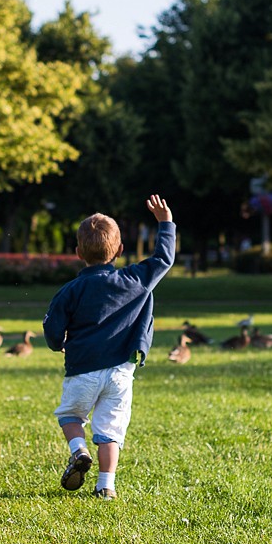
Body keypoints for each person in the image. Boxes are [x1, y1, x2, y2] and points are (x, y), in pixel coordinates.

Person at [42, 195, 175, 500]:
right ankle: (106, 486)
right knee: (110, 429)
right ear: (119, 250)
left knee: (71, 416)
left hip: (82, 370)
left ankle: (78, 451)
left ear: (78, 253)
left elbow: (51, 329)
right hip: (120, 371)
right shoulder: (135, 280)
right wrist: (165, 224)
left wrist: (57, 344)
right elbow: (163, 260)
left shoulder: (70, 291)